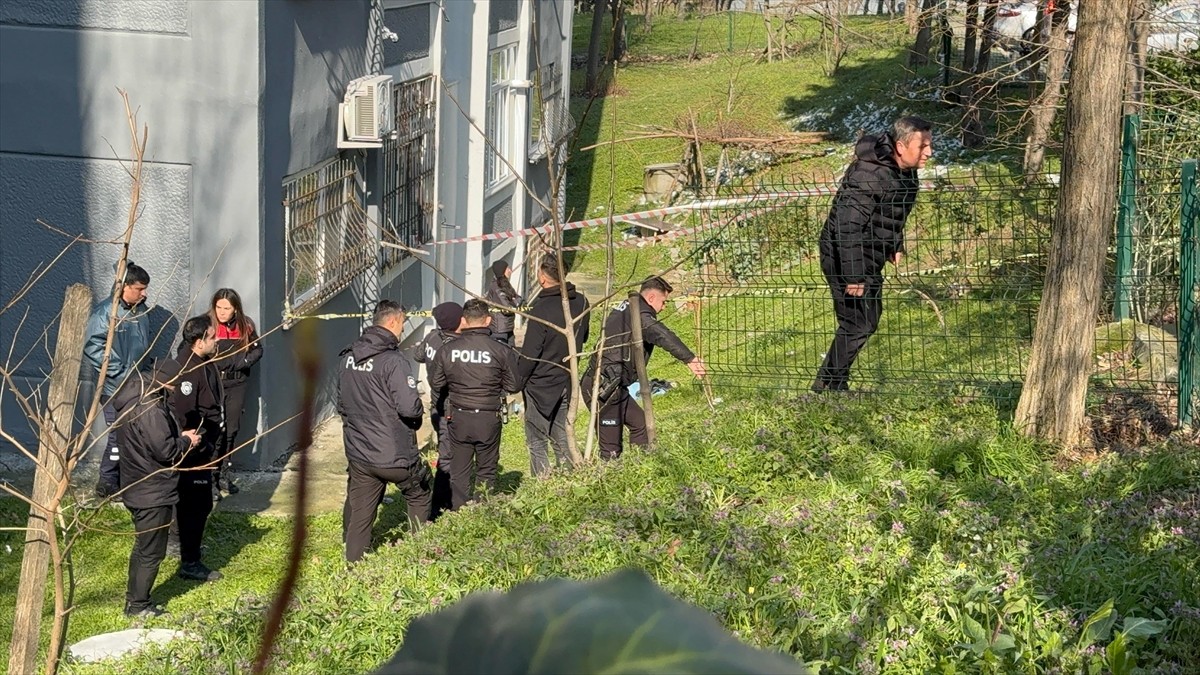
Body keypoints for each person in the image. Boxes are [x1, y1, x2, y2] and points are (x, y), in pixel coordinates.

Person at [812, 116, 933, 392]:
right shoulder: (869, 173)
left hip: (868, 251)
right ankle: (829, 386)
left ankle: (830, 383)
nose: (929, 152)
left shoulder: (904, 170)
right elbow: (847, 225)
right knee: (858, 322)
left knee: (865, 321)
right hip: (845, 253)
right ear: (901, 147)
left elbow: (892, 210)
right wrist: (853, 275)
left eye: (929, 144)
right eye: (923, 145)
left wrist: (895, 244)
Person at [338, 300, 432, 562]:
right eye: (402, 324)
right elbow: (410, 408)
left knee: (361, 514)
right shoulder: (393, 361)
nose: (402, 331)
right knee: (419, 492)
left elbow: (341, 403)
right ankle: (418, 555)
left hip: (360, 453)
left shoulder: (347, 357)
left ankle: (352, 565)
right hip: (394, 454)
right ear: (392, 322)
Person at [583, 276, 706, 460]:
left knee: (640, 424)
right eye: (663, 302)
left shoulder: (628, 307)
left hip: (614, 384)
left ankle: (640, 468)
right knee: (611, 450)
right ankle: (610, 482)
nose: (664, 307)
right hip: (603, 387)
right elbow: (662, 335)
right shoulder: (639, 314)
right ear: (650, 298)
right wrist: (690, 359)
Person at [114, 369, 201, 618]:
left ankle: (134, 600)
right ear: (165, 380)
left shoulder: (134, 400)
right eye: (176, 381)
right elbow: (166, 451)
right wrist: (187, 442)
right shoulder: (150, 410)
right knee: (151, 552)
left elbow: (152, 443)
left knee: (143, 548)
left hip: (137, 486)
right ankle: (139, 606)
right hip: (151, 492)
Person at [428, 298, 519, 510]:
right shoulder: (501, 350)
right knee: (486, 470)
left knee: (459, 471)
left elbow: (436, 382)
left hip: (458, 416)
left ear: (464, 321)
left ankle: (459, 514)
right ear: (488, 320)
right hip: (488, 416)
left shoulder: (448, 349)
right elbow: (514, 384)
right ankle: (481, 515)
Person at [156, 314, 225, 582]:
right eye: (212, 336)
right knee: (197, 503)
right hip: (194, 449)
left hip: (205, 444)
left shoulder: (202, 361)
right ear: (198, 341)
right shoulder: (187, 369)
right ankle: (190, 561)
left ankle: (184, 543)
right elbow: (183, 413)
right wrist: (198, 439)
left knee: (193, 502)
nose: (217, 339)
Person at [516, 257, 590, 477]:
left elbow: (530, 353)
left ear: (542, 276)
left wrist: (518, 379)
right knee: (561, 435)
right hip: (567, 378)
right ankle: (568, 479)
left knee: (537, 440)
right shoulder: (582, 302)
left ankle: (544, 485)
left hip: (541, 383)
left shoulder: (541, 309)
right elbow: (583, 337)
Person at [83, 261, 151, 500]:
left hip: (136, 384)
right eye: (139, 289)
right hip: (114, 387)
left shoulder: (139, 311)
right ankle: (107, 482)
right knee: (116, 436)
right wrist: (121, 373)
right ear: (124, 287)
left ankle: (125, 479)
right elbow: (94, 350)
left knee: (133, 434)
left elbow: (142, 348)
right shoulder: (106, 314)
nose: (144, 294)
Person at [208, 288, 263, 498]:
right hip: (215, 384)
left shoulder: (245, 325)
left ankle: (224, 473)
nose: (222, 312)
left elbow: (258, 349)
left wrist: (244, 362)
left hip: (237, 384)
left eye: (227, 308)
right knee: (216, 431)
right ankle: (210, 478)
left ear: (235, 309)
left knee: (232, 430)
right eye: (218, 307)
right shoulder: (208, 325)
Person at [410, 302, 464, 519]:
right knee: (448, 458)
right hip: (450, 408)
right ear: (458, 322)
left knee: (448, 451)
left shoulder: (433, 337)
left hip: (436, 405)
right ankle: (440, 506)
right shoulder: (455, 347)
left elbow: (418, 355)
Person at [485, 260, 522, 346]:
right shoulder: (497, 287)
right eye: (507, 268)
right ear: (502, 271)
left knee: (512, 353)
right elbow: (507, 308)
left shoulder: (505, 284)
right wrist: (515, 302)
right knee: (502, 354)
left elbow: (518, 298)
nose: (510, 270)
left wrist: (515, 301)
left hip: (508, 326)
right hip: (499, 329)